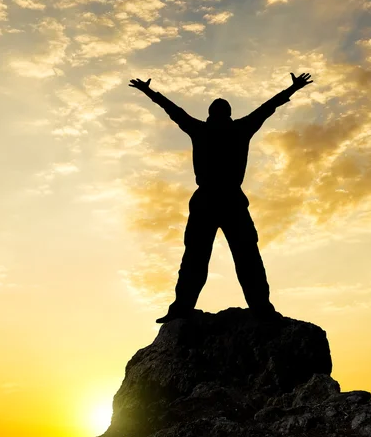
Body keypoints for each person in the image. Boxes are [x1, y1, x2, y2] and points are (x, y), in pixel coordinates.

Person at [129, 72, 313, 323]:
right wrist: (293, 89)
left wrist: (150, 93)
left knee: (208, 257)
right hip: (226, 201)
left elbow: (174, 110)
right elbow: (268, 107)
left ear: (212, 115)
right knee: (235, 257)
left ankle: (202, 308)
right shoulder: (238, 128)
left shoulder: (204, 129)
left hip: (213, 200)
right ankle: (256, 308)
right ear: (227, 114)